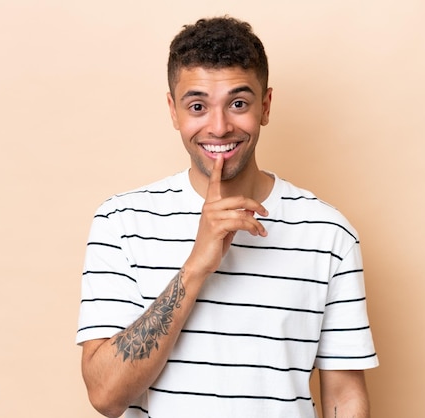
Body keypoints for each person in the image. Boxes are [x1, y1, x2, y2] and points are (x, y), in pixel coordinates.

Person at [77, 16, 378, 418]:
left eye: (238, 104)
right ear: (173, 111)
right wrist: (197, 266)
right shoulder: (122, 223)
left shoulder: (330, 234)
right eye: (198, 106)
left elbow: (344, 396)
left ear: (265, 106)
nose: (219, 128)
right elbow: (105, 395)